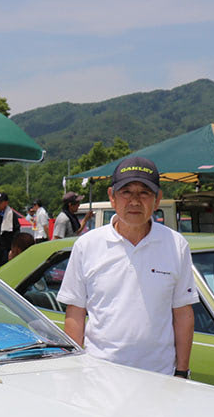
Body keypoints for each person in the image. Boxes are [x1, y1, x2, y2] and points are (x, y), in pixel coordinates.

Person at [58, 156, 197, 378]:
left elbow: (183, 313)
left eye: (144, 193)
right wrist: (74, 372)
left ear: (157, 199)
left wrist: (181, 371)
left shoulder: (176, 245)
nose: (134, 201)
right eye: (126, 192)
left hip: (160, 377)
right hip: (99, 376)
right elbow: (75, 312)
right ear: (112, 197)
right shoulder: (87, 245)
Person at [0, 191, 20, 268]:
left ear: (6, 202)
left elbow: (17, 232)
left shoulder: (12, 215)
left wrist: (13, 249)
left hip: (8, 248)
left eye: (0, 202)